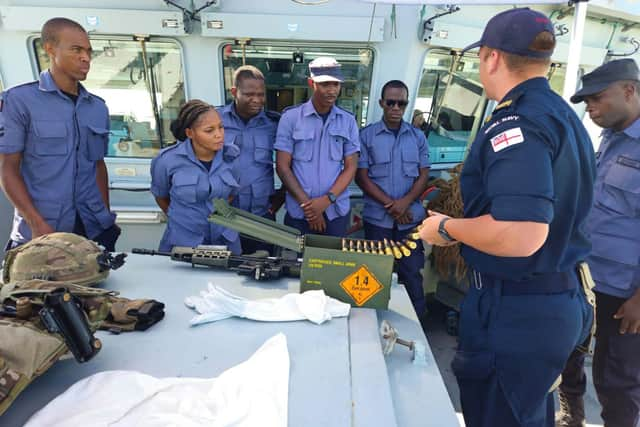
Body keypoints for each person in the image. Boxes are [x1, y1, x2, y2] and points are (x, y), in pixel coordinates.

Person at [418, 8, 595, 427]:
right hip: (552, 301)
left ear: (492, 58)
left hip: (516, 311)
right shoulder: (565, 117)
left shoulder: (516, 123)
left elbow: (521, 233)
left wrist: (444, 228)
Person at [557, 58, 640, 427]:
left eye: (596, 98)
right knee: (567, 353)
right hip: (584, 276)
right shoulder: (609, 139)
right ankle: (570, 417)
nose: (589, 108)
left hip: (625, 293)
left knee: (617, 380)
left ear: (629, 90)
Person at [0, 17, 120, 251]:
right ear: (50, 49)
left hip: (92, 228)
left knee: (98, 287)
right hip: (42, 231)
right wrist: (36, 223)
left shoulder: (97, 107)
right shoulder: (18, 101)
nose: (85, 57)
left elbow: (97, 166)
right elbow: (7, 168)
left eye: (88, 51)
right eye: (76, 49)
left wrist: (105, 215)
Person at [357, 80, 430, 318]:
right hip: (378, 221)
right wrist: (393, 205)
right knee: (376, 274)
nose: (396, 107)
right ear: (381, 103)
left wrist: (405, 203)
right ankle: (373, 324)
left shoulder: (418, 137)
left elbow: (423, 175)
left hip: (409, 221)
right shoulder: (366, 136)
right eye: (391, 102)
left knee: (411, 273)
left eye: (402, 103)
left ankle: (417, 324)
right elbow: (362, 178)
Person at [275, 57, 359, 236]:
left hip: (335, 211)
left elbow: (351, 167)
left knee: (332, 261)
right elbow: (283, 167)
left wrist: (327, 201)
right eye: (325, 84)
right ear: (311, 83)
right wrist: (310, 208)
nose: (331, 90)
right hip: (300, 211)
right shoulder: (290, 118)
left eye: (336, 84)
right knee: (297, 262)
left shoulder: (348, 121)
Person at [150, 100, 241, 254]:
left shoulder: (231, 157)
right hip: (184, 240)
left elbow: (232, 194)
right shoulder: (167, 160)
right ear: (190, 133)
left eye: (221, 127)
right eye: (209, 130)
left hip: (224, 238)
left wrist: (216, 213)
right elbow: (161, 196)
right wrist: (183, 219)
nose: (219, 134)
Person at [218, 65, 284, 254]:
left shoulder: (274, 124)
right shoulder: (215, 121)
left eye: (261, 94)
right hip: (225, 213)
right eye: (249, 94)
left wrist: (282, 194)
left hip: (261, 214)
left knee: (261, 266)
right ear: (234, 92)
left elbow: (292, 161)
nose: (257, 100)